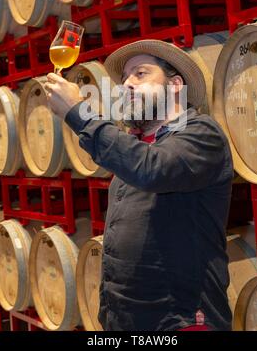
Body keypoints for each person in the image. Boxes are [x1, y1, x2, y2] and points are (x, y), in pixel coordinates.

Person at [45, 39, 234, 331]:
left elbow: (151, 169)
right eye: (124, 79)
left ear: (174, 86)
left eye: (141, 74)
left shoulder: (201, 135)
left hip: (179, 320)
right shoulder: (135, 144)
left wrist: (78, 113)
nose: (126, 85)